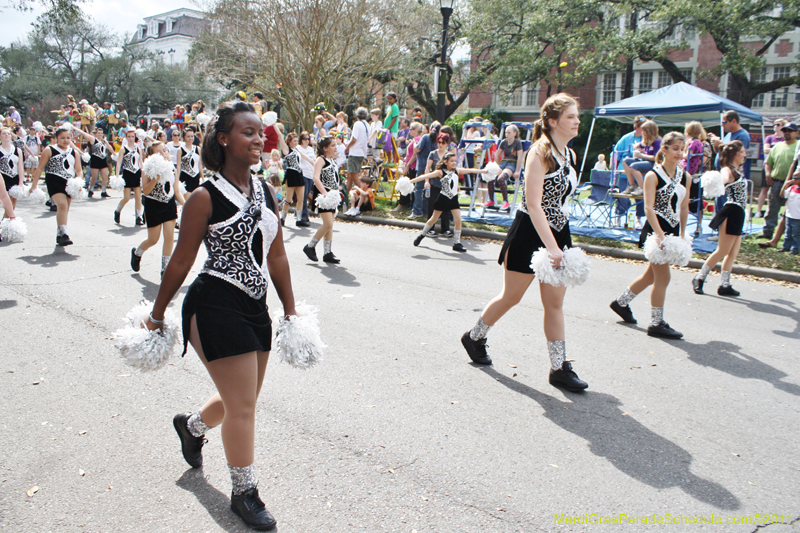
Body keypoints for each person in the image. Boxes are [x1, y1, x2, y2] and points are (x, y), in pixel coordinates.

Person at [145, 100, 296, 531]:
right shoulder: (203, 197)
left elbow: (277, 256)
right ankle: (244, 494)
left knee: (241, 401)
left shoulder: (266, 191)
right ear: (224, 139)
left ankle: (192, 428)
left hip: (255, 306)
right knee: (243, 406)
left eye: (260, 133)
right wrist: (157, 314)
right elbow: (181, 260)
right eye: (249, 132)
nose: (259, 139)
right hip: (214, 303)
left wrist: (291, 311)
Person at [460, 93, 588, 392]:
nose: (577, 121)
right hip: (530, 232)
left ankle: (559, 368)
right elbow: (533, 203)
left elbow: (560, 201)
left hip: (559, 232)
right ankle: (474, 336)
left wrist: (559, 243)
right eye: (570, 116)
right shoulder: (538, 152)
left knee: (554, 303)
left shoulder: (569, 154)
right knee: (511, 296)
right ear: (552, 121)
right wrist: (552, 248)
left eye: (577, 116)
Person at [610, 131, 690, 339]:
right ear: (664, 149)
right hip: (656, 232)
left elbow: (684, 207)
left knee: (650, 276)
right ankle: (656, 323)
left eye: (682, 149)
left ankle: (621, 303)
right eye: (675, 149)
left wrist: (682, 234)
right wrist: (660, 236)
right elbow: (648, 208)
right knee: (663, 277)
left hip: (672, 231)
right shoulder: (653, 176)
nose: (679, 153)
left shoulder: (685, 176)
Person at [692, 141, 747, 296]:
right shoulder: (728, 170)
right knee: (722, 250)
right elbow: (722, 179)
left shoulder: (736, 170)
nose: (745, 155)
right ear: (735, 154)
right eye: (743, 152)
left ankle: (725, 284)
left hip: (738, 212)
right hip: (731, 211)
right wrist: (716, 183)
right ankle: (699, 277)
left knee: (733, 252)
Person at [409, 152, 488, 252]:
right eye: (452, 161)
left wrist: (484, 171)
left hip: (453, 199)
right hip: (443, 198)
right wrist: (410, 181)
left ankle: (456, 243)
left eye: (455, 161)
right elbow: (424, 176)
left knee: (458, 220)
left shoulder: (457, 170)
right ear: (446, 162)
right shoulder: (440, 172)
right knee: (433, 219)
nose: (454, 163)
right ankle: (422, 235)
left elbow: (470, 170)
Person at [131, 142, 186, 275]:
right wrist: (156, 178)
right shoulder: (147, 169)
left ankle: (165, 268)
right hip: (153, 205)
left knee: (169, 236)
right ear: (152, 155)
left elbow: (176, 191)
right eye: (159, 152)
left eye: (164, 150)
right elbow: (146, 191)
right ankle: (137, 253)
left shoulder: (172, 168)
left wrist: (186, 205)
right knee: (153, 239)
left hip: (169, 204)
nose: (163, 153)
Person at [30, 124, 84, 245]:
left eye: (68, 138)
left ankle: (60, 234)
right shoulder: (49, 150)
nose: (65, 140)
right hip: (54, 181)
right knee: (62, 205)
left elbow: (79, 170)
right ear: (56, 138)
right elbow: (40, 168)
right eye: (62, 138)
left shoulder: (74, 152)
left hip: (69, 183)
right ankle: (64, 234)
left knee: (65, 208)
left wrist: (78, 182)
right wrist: (34, 186)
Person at [302, 136, 341, 263]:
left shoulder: (332, 160)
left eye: (335, 145)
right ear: (325, 148)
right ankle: (310, 246)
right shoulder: (320, 159)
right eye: (333, 145)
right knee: (327, 224)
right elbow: (315, 178)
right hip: (323, 196)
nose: (335, 147)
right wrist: (325, 193)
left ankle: (327, 252)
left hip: (332, 195)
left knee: (330, 225)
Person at [760, 122, 797, 240]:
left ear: (796, 133)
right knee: (772, 209)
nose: (786, 133)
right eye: (785, 130)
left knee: (791, 211)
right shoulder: (777, 146)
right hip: (776, 182)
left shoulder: (798, 146)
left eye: (789, 131)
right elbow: (768, 162)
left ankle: (789, 236)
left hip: (793, 184)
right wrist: (768, 174)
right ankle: (767, 232)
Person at [279, 132, 312, 227]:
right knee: (288, 199)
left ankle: (299, 219)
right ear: (289, 141)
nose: (296, 142)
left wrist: (315, 164)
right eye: (294, 141)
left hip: (299, 173)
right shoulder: (287, 150)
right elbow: (280, 137)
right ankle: (282, 218)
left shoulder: (297, 149)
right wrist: (274, 125)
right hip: (291, 174)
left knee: (301, 199)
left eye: (297, 141)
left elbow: (306, 158)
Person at [114, 128, 145, 226]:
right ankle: (117, 210)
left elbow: (140, 163)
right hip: (127, 173)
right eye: (129, 137)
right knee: (127, 197)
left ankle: (138, 217)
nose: (131, 138)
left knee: (138, 197)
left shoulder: (138, 149)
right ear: (126, 138)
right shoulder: (123, 149)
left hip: (137, 173)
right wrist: (117, 175)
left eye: (132, 137)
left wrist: (143, 174)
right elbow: (119, 162)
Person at [409, 121, 440, 219]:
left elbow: (417, 149)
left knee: (418, 188)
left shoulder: (426, 137)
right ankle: (427, 210)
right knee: (429, 189)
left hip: (422, 166)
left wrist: (414, 143)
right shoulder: (438, 139)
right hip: (433, 167)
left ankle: (417, 211)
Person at [621, 120, 660, 196]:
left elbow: (656, 158)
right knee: (625, 161)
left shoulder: (657, 142)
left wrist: (641, 155)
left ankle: (642, 188)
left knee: (634, 167)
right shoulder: (647, 140)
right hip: (645, 161)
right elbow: (640, 145)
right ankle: (632, 185)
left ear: (650, 132)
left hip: (653, 163)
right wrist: (637, 147)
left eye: (644, 131)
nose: (642, 133)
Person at [490, 125, 524, 210]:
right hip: (504, 162)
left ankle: (505, 201)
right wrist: (495, 166)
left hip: (512, 163)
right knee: (490, 176)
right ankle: (491, 199)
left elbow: (520, 157)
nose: (507, 134)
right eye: (506, 132)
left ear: (515, 133)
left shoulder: (517, 142)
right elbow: (497, 154)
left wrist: (517, 170)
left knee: (501, 178)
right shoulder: (503, 142)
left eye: (509, 133)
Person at [758, 119, 786, 218]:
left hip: (779, 167)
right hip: (768, 166)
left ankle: (774, 212)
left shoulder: (785, 138)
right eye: (774, 124)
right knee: (764, 189)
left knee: (777, 191)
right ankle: (758, 211)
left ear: (783, 126)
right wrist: (779, 149)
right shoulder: (769, 138)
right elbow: (766, 150)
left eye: (778, 124)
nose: (775, 126)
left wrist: (773, 149)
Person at [75, 127, 113, 198]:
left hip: (103, 160)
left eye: (101, 133)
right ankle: (91, 190)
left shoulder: (104, 141)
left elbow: (109, 147)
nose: (100, 134)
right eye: (99, 133)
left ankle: (103, 191)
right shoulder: (93, 140)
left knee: (105, 176)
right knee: (94, 177)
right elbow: (85, 135)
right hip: (95, 160)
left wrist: (114, 154)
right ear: (96, 134)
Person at [344, 107, 370, 194]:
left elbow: (354, 139)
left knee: (354, 175)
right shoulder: (367, 125)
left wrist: (347, 147)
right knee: (350, 176)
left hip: (355, 153)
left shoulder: (357, 124)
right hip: (362, 153)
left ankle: (366, 194)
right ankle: (346, 195)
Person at [0, 127, 24, 211]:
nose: (6, 135)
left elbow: (20, 167)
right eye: (4, 133)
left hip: (14, 177)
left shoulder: (17, 150)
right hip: (3, 178)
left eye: (8, 133)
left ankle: (7, 218)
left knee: (13, 204)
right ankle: (8, 218)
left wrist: (21, 183)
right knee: (8, 202)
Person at [295, 132, 317, 227]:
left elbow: (314, 161)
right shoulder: (298, 148)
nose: (306, 141)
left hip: (310, 174)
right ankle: (304, 215)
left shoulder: (310, 149)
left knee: (307, 194)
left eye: (308, 139)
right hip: (302, 173)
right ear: (301, 140)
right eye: (304, 139)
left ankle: (298, 211)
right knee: (303, 196)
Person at [177, 128, 203, 198]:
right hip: (185, 177)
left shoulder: (198, 149)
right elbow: (178, 166)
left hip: (196, 177)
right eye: (188, 136)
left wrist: (202, 178)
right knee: (188, 199)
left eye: (192, 136)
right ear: (184, 137)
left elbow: (200, 165)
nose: (190, 138)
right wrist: (177, 180)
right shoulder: (180, 150)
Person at [778, 176, 800, 254]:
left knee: (796, 234)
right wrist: (785, 185)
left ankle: (795, 248)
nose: (793, 179)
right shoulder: (792, 188)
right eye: (793, 177)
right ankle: (785, 246)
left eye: (796, 178)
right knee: (788, 232)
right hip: (789, 214)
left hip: (797, 216)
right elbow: (782, 195)